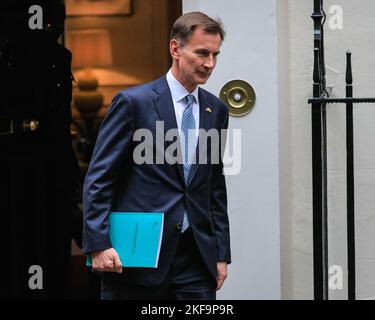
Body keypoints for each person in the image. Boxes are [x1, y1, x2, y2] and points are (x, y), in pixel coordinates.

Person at [82, 11, 231, 300]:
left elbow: (213, 185)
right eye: (202, 53)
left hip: (196, 259)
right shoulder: (133, 103)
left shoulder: (217, 110)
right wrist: (98, 244)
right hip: (137, 257)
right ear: (175, 49)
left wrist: (221, 252)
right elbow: (100, 178)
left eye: (215, 54)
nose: (209, 63)